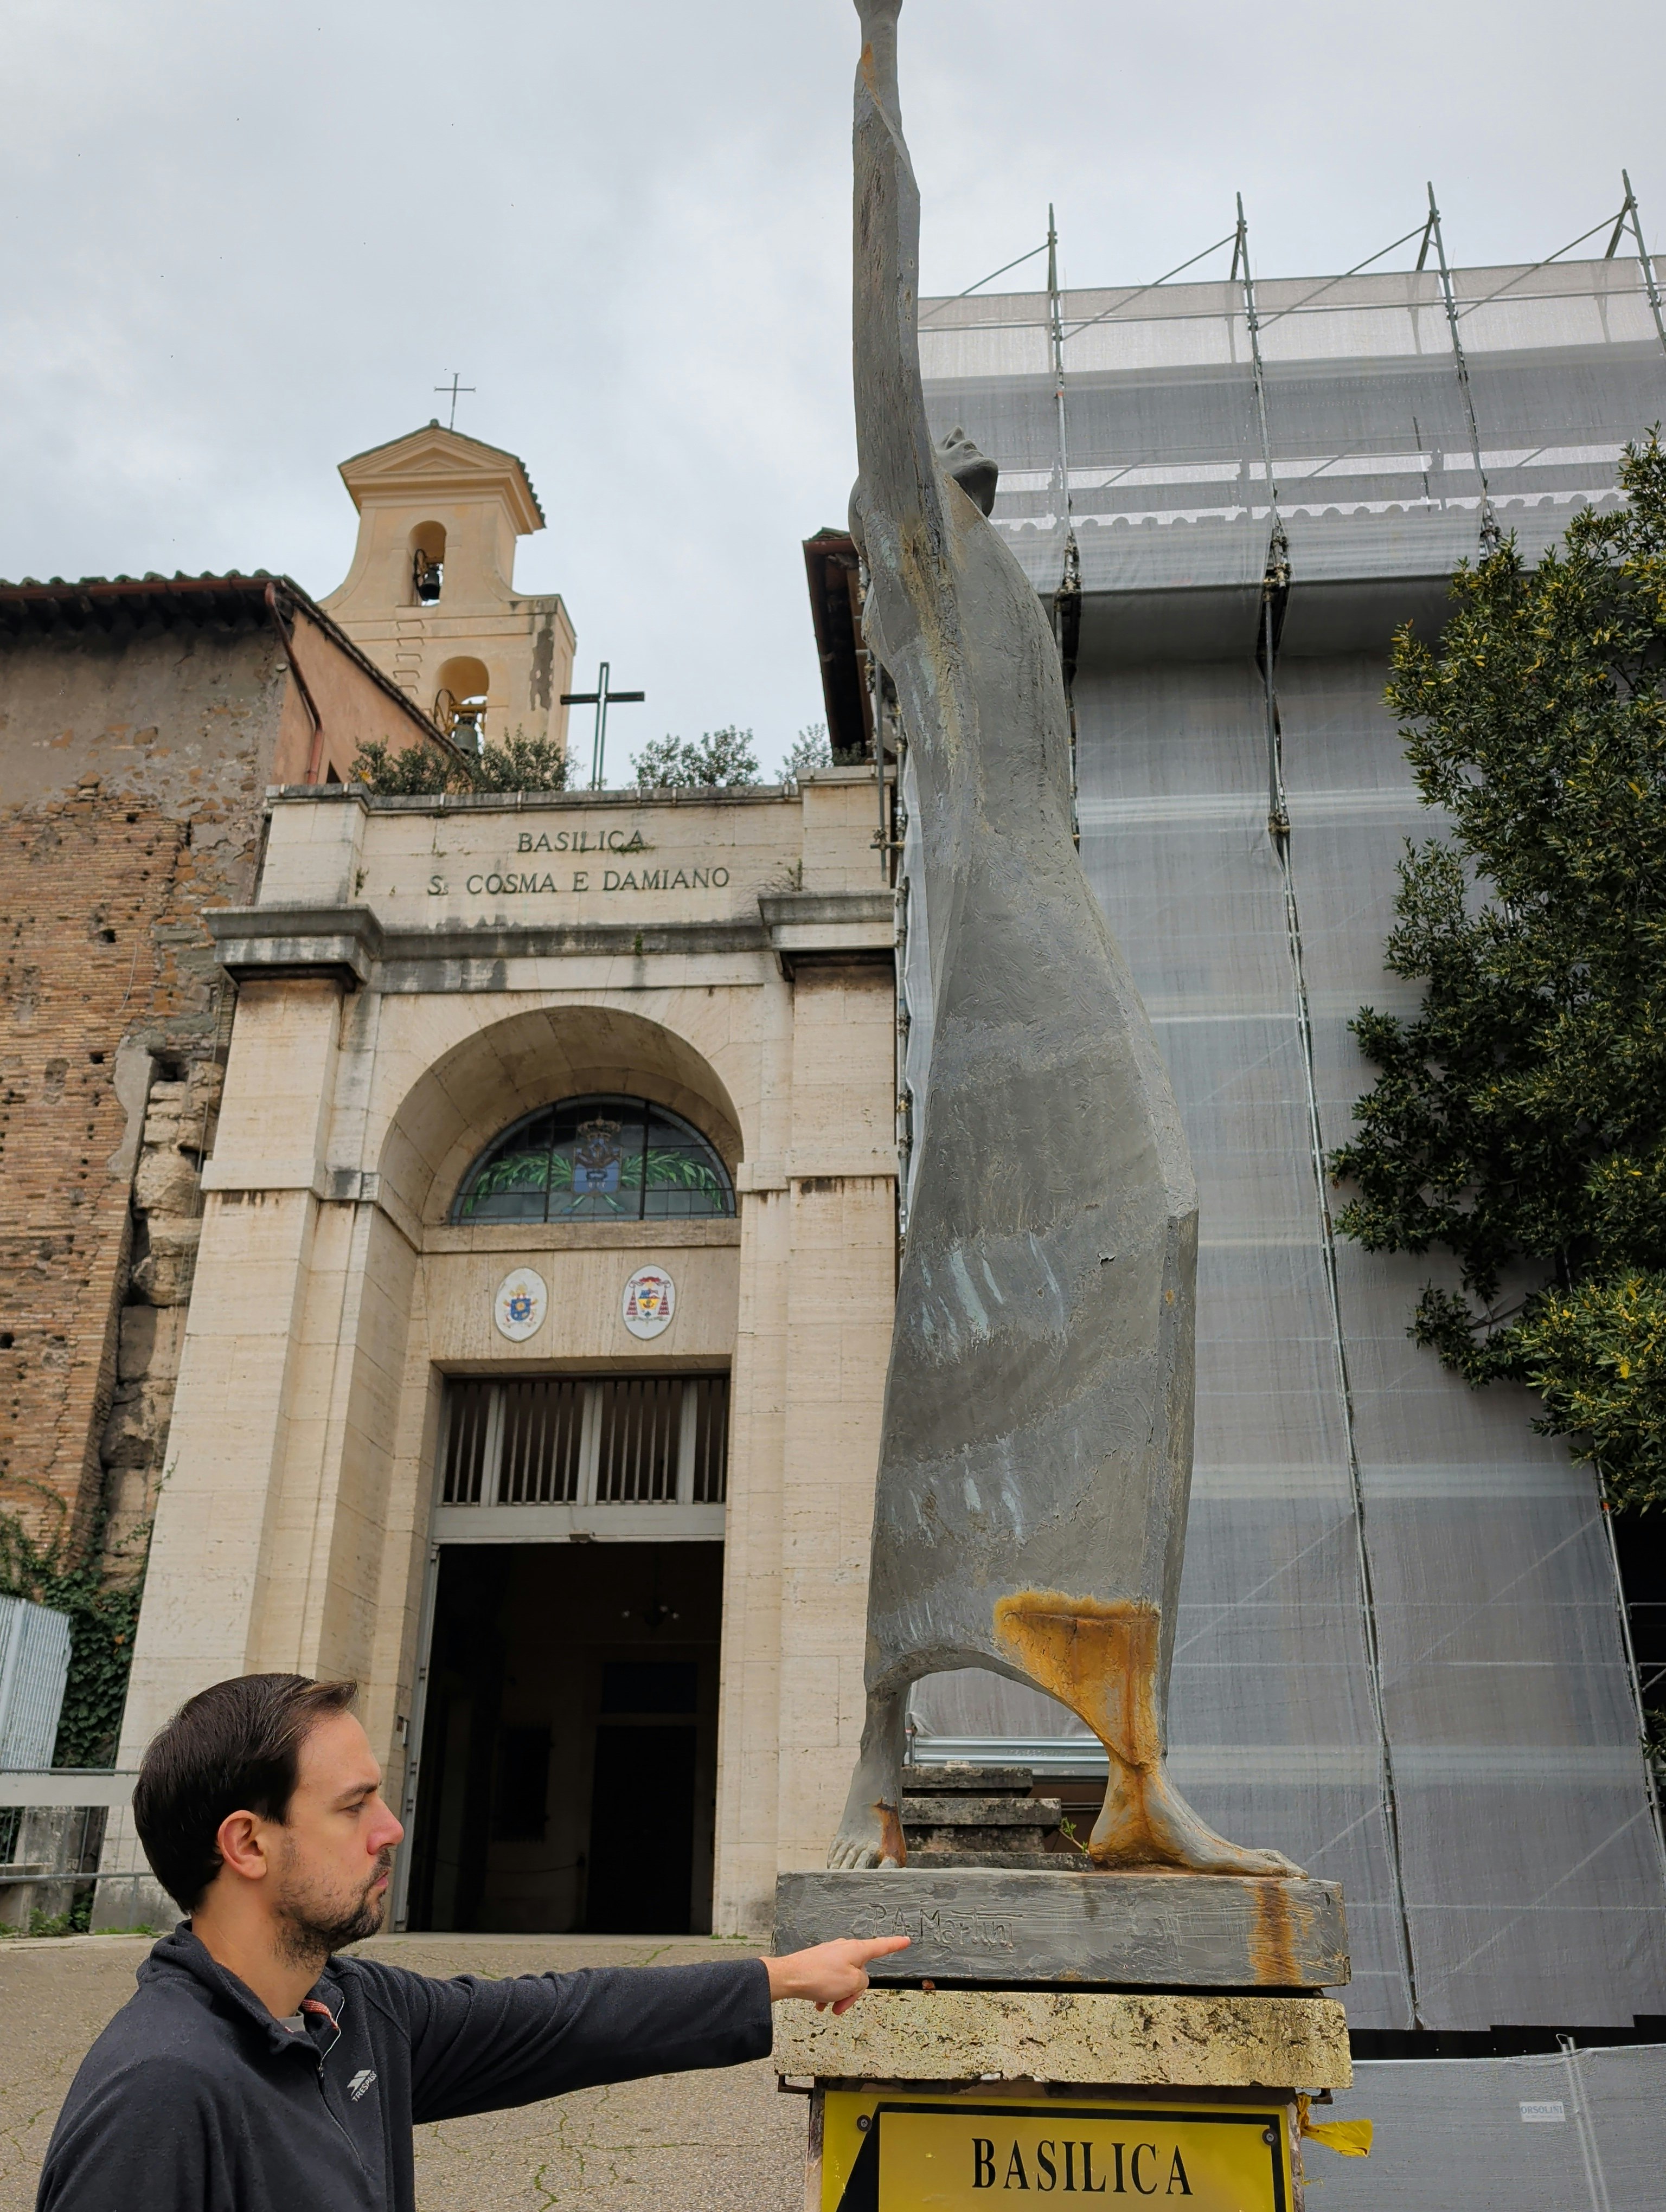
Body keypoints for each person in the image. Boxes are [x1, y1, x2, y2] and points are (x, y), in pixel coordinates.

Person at [38, 1674, 906, 2212]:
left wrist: (778, 1977)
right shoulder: (160, 2090)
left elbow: (564, 2019)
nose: (392, 1829)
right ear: (248, 1844)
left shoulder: (350, 2010)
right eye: (354, 1806)